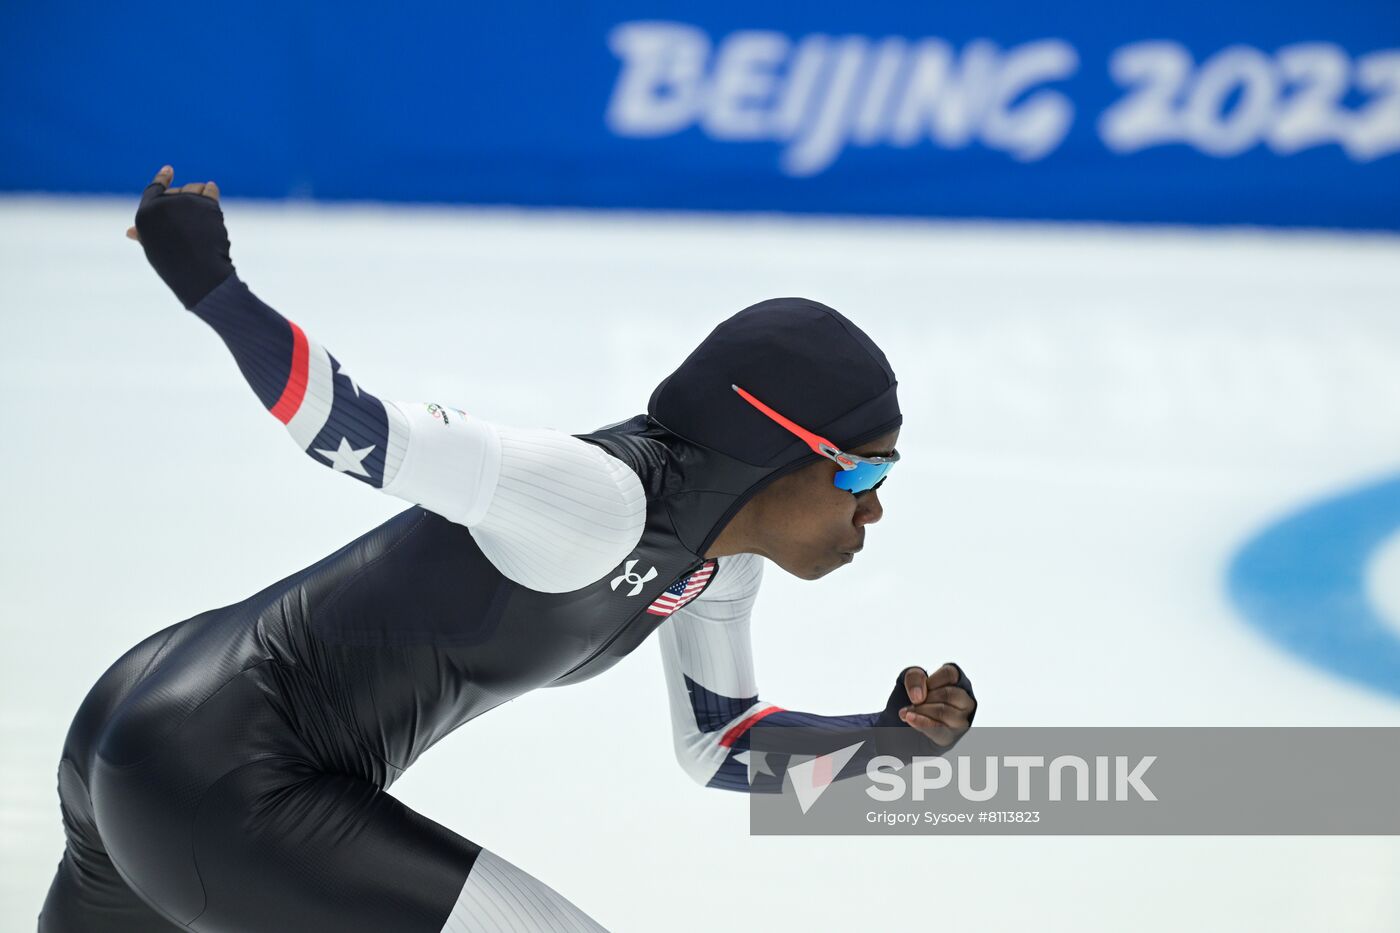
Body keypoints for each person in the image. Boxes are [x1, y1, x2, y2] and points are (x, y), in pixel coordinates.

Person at [38, 166, 978, 932]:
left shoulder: (718, 561)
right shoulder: (595, 497)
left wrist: (883, 744)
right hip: (225, 772)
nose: (874, 508)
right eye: (863, 472)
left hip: (154, 717)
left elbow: (717, 744)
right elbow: (348, 428)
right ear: (779, 448)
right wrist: (211, 283)